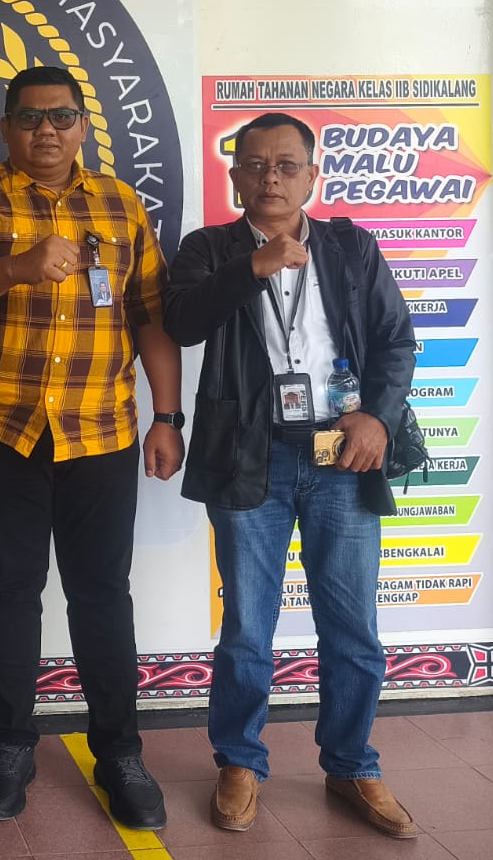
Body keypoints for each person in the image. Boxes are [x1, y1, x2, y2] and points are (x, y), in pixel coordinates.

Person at [0, 66, 183, 831]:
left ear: (83, 126)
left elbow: (149, 314)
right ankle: (10, 746)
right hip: (1, 428)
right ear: (7, 127)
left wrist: (168, 415)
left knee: (102, 593)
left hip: (101, 429)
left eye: (62, 117)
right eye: (32, 118)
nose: (47, 130)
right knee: (11, 589)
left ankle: (120, 753)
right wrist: (18, 266)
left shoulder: (120, 203)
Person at [162, 112, 418, 840]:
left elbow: (396, 340)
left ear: (311, 177)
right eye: (255, 165)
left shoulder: (350, 246)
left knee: (352, 624)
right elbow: (181, 322)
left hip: (342, 450)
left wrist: (377, 417)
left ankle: (352, 762)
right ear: (235, 176)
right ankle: (240, 761)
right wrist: (253, 267)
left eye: (285, 165)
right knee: (248, 624)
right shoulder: (210, 248)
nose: (269, 177)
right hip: (250, 454)